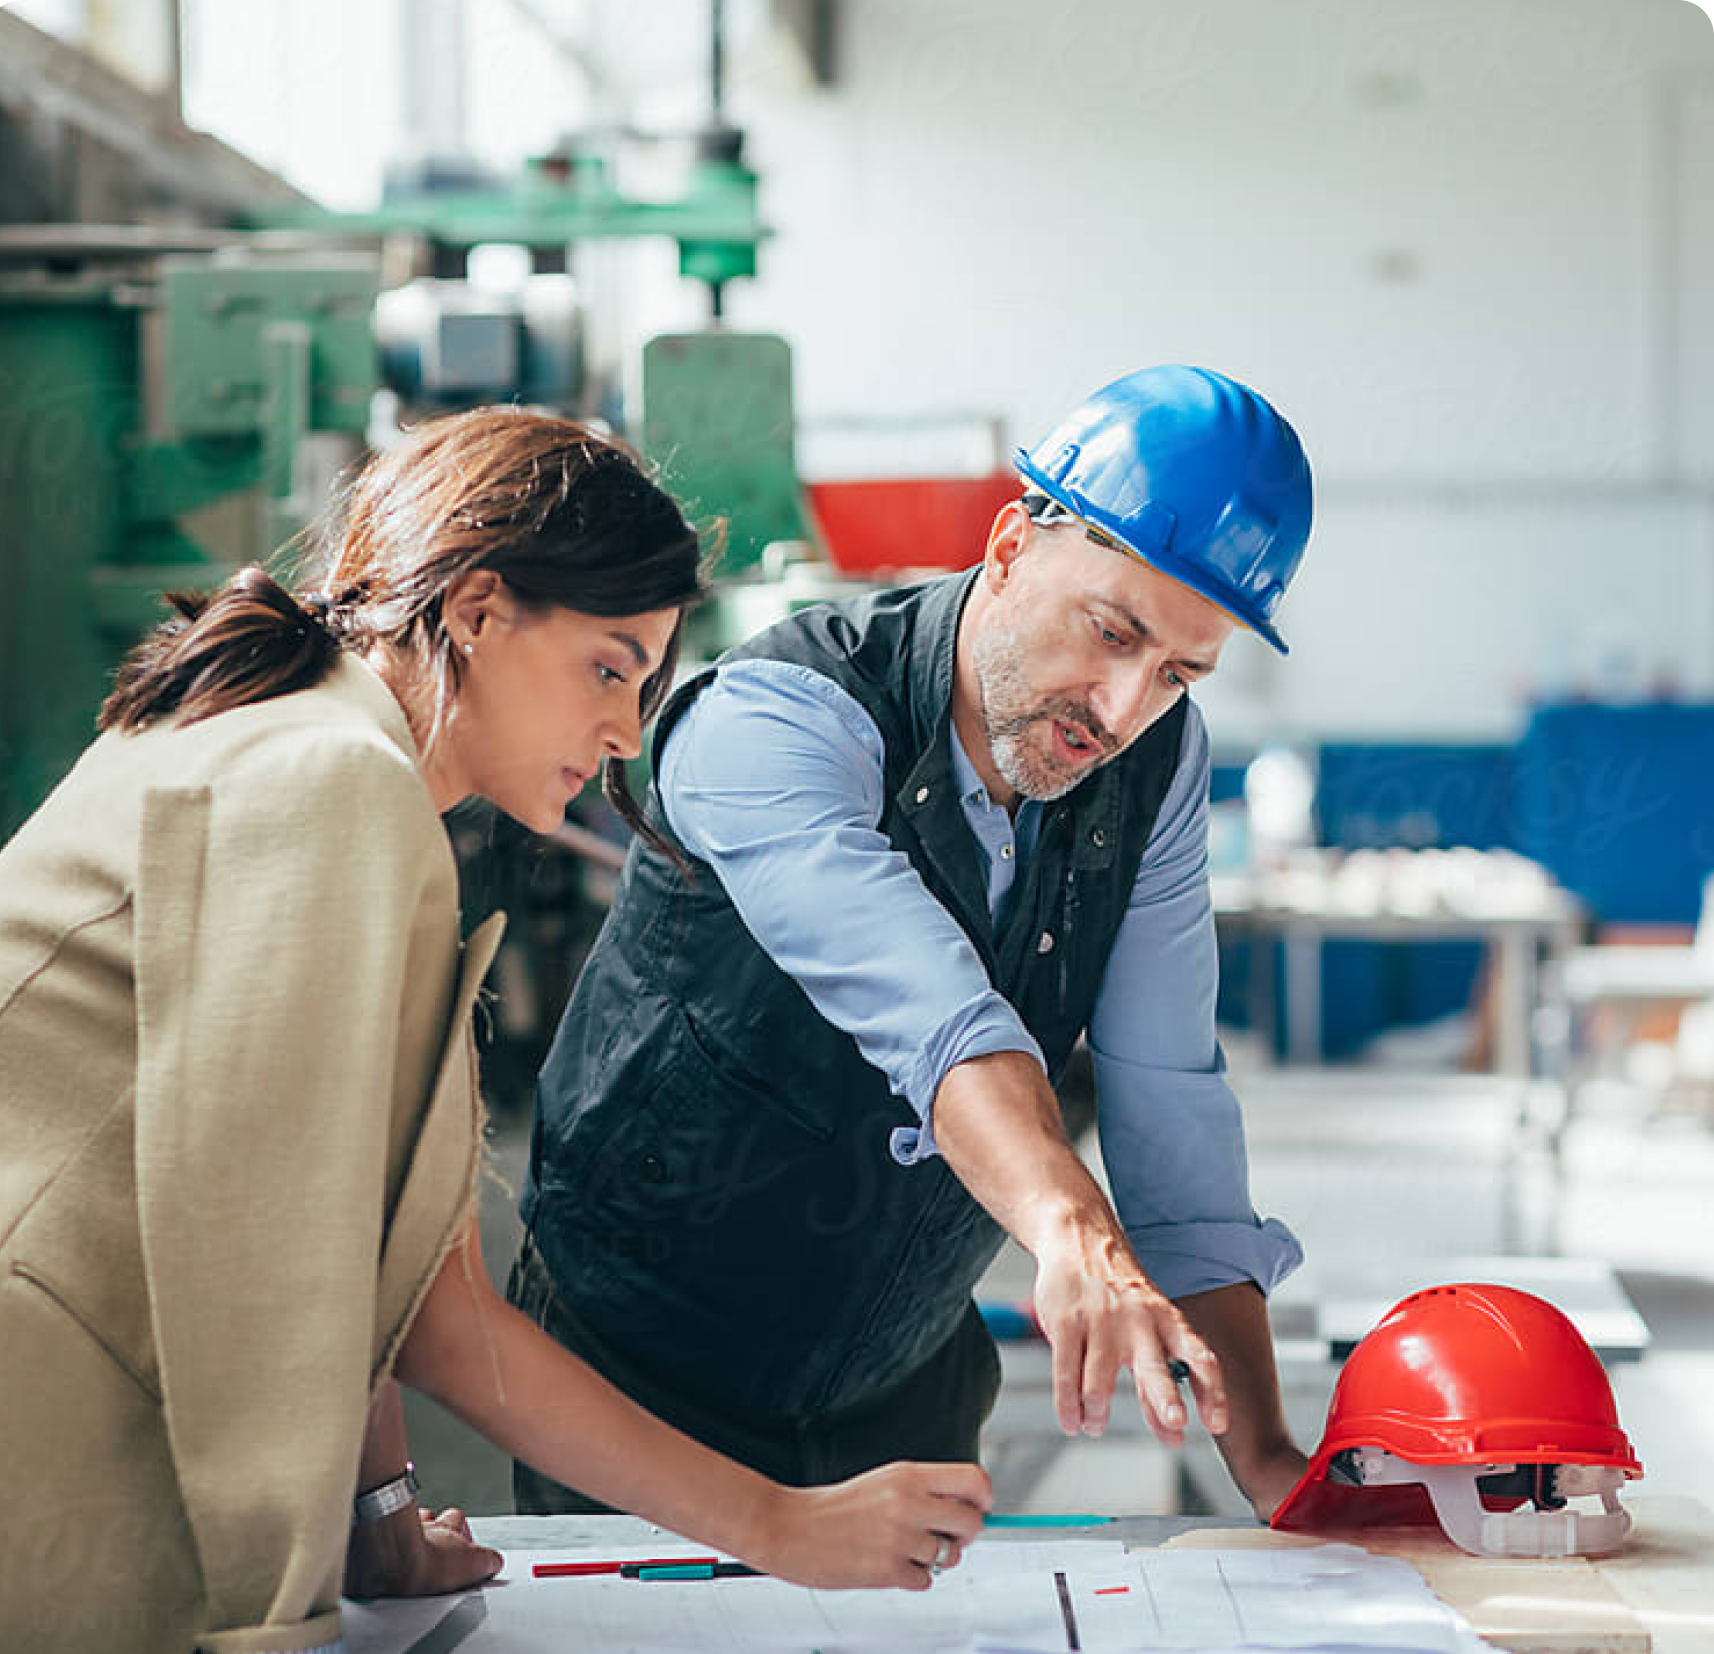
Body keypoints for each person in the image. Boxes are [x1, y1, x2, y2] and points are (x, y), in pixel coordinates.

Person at [0, 409, 990, 1654]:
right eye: (608, 668)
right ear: (476, 611)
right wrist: (270, 1634)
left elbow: (390, 1262)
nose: (625, 732)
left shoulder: (332, 760)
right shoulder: (324, 781)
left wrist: (384, 1520)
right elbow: (255, 1264)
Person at [510, 365, 1316, 1522]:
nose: (1125, 707)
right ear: (1008, 550)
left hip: (900, 1384)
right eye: (1111, 631)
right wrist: (1067, 1225)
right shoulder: (773, 717)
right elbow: (935, 1014)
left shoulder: (1158, 763)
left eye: (1179, 672)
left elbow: (1172, 1105)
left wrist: (1277, 1465)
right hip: (637, 1381)